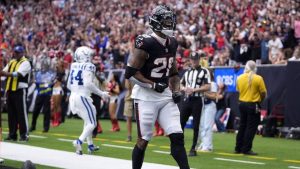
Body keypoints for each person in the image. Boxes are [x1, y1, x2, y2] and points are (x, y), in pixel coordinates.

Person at [125, 5, 190, 169]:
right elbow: (130, 73)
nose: (170, 25)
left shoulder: (173, 42)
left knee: (177, 136)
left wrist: (176, 90)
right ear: (156, 23)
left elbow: (174, 73)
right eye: (167, 22)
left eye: (171, 21)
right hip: (146, 97)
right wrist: (153, 84)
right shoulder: (145, 42)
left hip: (165, 95)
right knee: (143, 140)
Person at [67, 46, 110, 155]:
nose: (90, 57)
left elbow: (68, 85)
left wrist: (76, 91)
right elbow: (88, 83)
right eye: (89, 55)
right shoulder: (89, 66)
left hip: (73, 96)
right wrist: (101, 94)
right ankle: (79, 141)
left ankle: (90, 145)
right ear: (84, 55)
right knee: (92, 123)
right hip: (82, 97)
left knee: (88, 120)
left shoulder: (73, 65)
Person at [180, 52, 210, 156]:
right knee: (180, 123)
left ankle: (193, 148)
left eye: (196, 59)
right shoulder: (187, 71)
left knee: (196, 125)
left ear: (199, 60)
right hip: (187, 99)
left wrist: (195, 90)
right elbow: (181, 83)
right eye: (192, 59)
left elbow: (207, 86)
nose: (194, 61)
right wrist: (184, 89)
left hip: (197, 100)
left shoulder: (204, 71)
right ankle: (179, 146)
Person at [235, 60, 267, 155]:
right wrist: (260, 99)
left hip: (242, 103)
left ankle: (238, 147)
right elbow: (263, 93)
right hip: (253, 104)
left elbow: (238, 90)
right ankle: (246, 149)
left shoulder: (239, 78)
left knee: (242, 126)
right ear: (255, 68)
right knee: (251, 128)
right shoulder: (258, 78)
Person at [1, 43, 32, 141]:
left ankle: (24, 135)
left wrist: (4, 73)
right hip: (10, 89)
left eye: (18, 52)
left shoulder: (25, 62)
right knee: (11, 114)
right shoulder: (12, 62)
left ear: (22, 53)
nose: (16, 54)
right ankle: (12, 134)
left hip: (20, 90)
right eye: (15, 52)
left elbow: (17, 74)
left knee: (21, 113)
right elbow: (3, 71)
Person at [29, 59, 56, 133]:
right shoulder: (38, 74)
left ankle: (46, 128)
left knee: (46, 112)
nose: (43, 66)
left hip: (47, 94)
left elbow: (52, 83)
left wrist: (44, 84)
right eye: (42, 65)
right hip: (40, 94)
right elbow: (36, 82)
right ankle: (33, 126)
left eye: (44, 65)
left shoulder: (51, 74)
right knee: (35, 111)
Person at [197, 70, 217, 152]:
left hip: (210, 105)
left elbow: (214, 96)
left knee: (207, 126)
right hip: (203, 105)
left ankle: (208, 146)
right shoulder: (203, 84)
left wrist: (204, 93)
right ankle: (203, 143)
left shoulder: (212, 84)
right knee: (201, 125)